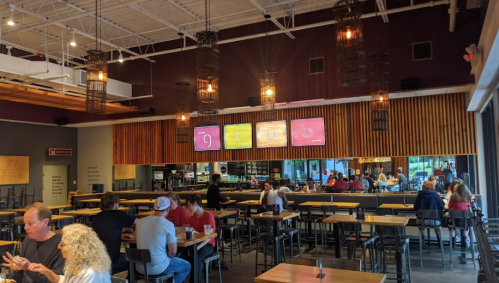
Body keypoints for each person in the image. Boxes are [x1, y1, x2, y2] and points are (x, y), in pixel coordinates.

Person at [2, 203, 64, 283]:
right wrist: (17, 269)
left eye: (30, 223)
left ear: (45, 222)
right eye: (25, 223)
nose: (25, 227)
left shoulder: (61, 245)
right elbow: (18, 278)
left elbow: (56, 280)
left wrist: (28, 268)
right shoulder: (28, 240)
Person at [28, 224, 112, 283]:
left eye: (62, 244)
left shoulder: (92, 273)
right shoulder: (77, 263)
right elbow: (65, 281)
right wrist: (46, 271)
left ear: (75, 248)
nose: (58, 247)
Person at [135, 197, 191, 283]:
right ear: (167, 209)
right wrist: (166, 256)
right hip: (158, 267)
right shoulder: (168, 224)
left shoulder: (140, 222)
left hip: (139, 266)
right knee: (186, 266)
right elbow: (173, 252)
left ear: (154, 208)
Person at [92, 192, 136, 276]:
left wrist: (121, 230)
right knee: (133, 259)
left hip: (98, 259)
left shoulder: (96, 217)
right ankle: (130, 280)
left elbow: (108, 228)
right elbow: (138, 222)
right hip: (112, 260)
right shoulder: (118, 214)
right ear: (115, 204)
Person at [186, 195, 217, 283]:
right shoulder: (192, 218)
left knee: (196, 259)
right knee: (183, 255)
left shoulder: (208, 216)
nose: (188, 208)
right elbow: (192, 232)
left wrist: (197, 248)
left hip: (208, 245)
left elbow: (209, 237)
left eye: (189, 205)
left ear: (195, 204)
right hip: (195, 243)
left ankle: (196, 281)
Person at [414, 181, 445, 245]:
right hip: (435, 221)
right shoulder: (436, 195)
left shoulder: (419, 196)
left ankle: (422, 237)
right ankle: (439, 239)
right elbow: (442, 206)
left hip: (422, 221)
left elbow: (415, 207)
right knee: (437, 222)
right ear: (432, 187)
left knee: (420, 221)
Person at [447, 184, 475, 248]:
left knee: (451, 222)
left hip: (456, 222)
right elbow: (473, 205)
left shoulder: (453, 197)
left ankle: (453, 241)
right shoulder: (470, 197)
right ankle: (465, 240)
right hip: (467, 222)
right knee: (467, 222)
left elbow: (449, 206)